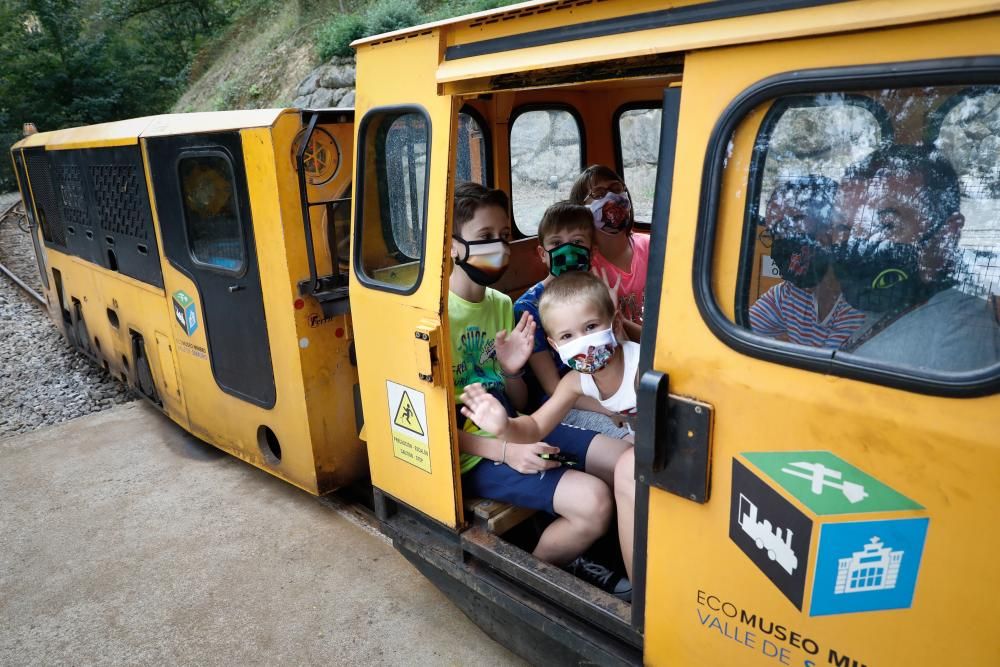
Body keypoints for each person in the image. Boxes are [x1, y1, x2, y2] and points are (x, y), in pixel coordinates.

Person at [447, 182, 633, 599]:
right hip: (472, 454)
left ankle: (603, 554)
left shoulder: (497, 303)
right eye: (484, 239)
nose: (498, 247)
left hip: (514, 425)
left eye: (503, 237)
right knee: (594, 503)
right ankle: (531, 579)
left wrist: (512, 372)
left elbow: (520, 401)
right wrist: (505, 451)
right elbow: (426, 423)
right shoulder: (434, 314)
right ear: (453, 246)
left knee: (623, 459)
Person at [832, 144, 1000, 371]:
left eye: (886, 226)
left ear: (947, 233)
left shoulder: (960, 333)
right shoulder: (890, 300)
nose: (857, 247)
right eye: (844, 227)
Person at [514, 202, 627, 430]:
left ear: (592, 251)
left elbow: (622, 348)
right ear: (542, 254)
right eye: (556, 243)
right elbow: (553, 388)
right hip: (562, 404)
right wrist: (609, 408)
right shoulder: (528, 308)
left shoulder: (596, 290)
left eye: (577, 242)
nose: (567, 251)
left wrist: (615, 316)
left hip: (602, 384)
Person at [748, 176, 866, 348]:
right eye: (774, 232)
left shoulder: (858, 305)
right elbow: (739, 330)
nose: (780, 240)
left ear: (831, 228)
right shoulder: (789, 294)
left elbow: (828, 371)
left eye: (789, 226)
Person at [569, 165, 649, 342]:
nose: (611, 197)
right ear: (581, 208)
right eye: (598, 194)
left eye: (616, 189)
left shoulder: (652, 246)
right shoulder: (586, 267)